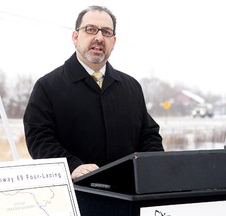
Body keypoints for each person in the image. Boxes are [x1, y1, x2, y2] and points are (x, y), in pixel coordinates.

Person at [23, 5, 164, 180]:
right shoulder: (48, 86)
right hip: (78, 194)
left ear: (114, 41)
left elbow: (149, 135)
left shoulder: (131, 87)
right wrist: (71, 166)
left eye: (106, 32)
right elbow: (39, 138)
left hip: (128, 195)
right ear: (75, 37)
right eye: (90, 30)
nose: (99, 37)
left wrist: (153, 166)